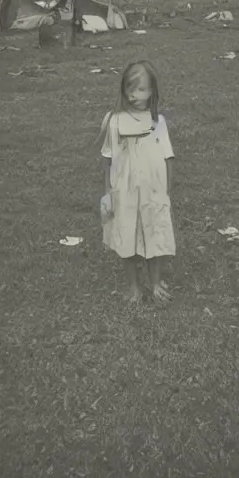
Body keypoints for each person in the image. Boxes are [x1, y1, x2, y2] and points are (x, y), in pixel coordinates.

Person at [99, 61, 175, 304]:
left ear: (152, 91)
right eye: (130, 89)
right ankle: (133, 287)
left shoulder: (157, 123)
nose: (135, 95)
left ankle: (155, 283)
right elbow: (108, 159)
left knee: (155, 234)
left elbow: (168, 159)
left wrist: (166, 193)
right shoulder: (114, 121)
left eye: (141, 89)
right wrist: (108, 192)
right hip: (124, 193)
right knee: (125, 236)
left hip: (153, 190)